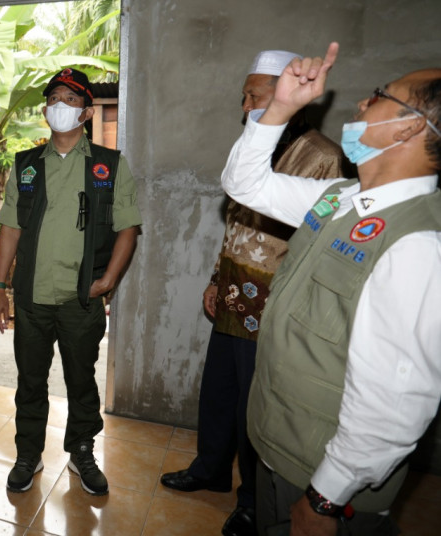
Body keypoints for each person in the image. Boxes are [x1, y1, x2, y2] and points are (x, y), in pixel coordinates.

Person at [222, 42, 441, 536]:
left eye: (379, 96)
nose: (362, 103)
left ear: (409, 127)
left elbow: (396, 403)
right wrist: (278, 108)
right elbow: (244, 185)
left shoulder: (418, 245)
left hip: (327, 487)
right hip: (281, 448)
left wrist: (326, 499)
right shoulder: (341, 199)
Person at [159, 50, 347, 536]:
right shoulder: (254, 146)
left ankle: (252, 499)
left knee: (255, 407)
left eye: (254, 96)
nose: (245, 106)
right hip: (233, 294)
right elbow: (238, 224)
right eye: (244, 97)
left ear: (290, 97)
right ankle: (211, 470)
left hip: (275, 301)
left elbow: (324, 241)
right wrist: (215, 279)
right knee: (219, 393)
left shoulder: (322, 156)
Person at [0, 68, 141, 496]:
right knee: (30, 381)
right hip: (32, 298)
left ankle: (81, 452)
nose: (61, 105)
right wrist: (0, 289)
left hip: (82, 299)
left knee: (81, 380)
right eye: (55, 98)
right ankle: (27, 454)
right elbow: (10, 229)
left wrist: (108, 280)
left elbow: (128, 228)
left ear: (88, 112)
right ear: (45, 110)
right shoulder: (25, 166)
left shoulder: (109, 167)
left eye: (71, 100)